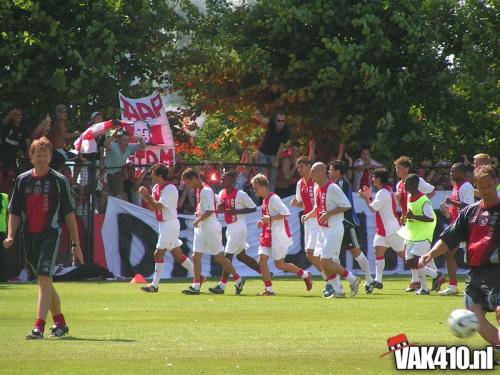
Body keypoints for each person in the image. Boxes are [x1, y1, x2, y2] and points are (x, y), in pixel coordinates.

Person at [3, 137, 84, 339]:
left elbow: (69, 214)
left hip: (51, 234)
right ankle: (60, 323)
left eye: (45, 154)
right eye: (37, 154)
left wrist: (75, 244)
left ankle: (38, 327)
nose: (41, 157)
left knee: (44, 278)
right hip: (28, 236)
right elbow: (14, 211)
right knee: (44, 281)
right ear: (30, 157)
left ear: (50, 157)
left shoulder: (59, 180)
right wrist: (11, 234)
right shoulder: (22, 180)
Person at [419, 165, 500, 347]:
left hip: (498, 273)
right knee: (474, 318)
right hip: (475, 275)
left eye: (490, 186)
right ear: (476, 187)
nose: (486, 191)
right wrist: (430, 253)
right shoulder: (470, 212)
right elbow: (449, 238)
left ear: (496, 183)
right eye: (482, 187)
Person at [181, 168, 244, 295]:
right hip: (203, 227)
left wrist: (198, 220)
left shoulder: (206, 190)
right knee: (196, 256)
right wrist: (199, 214)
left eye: (188, 182)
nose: (187, 186)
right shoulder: (201, 190)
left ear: (194, 179)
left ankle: (238, 279)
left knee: (219, 258)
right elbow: (215, 204)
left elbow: (210, 211)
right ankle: (196, 285)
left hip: (210, 226)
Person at [302, 163, 360, 298]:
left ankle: (352, 279)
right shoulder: (317, 189)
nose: (311, 175)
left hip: (334, 228)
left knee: (325, 261)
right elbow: (317, 208)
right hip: (323, 229)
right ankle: (338, 291)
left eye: (314, 171)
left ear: (322, 172)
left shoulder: (333, 188)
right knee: (322, 260)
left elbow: (346, 205)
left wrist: (329, 213)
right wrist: (308, 215)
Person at [251, 173, 312, 296]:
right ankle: (269, 290)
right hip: (267, 235)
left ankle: (305, 274)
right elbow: (269, 218)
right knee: (262, 261)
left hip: (277, 236)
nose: (255, 190)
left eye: (256, 187)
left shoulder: (274, 198)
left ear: (264, 187)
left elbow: (286, 213)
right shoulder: (265, 200)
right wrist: (262, 222)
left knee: (280, 265)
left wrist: (269, 219)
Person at [138, 164, 194, 293]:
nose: (151, 176)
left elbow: (159, 206)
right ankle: (199, 276)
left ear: (159, 176)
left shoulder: (170, 188)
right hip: (164, 224)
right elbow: (153, 208)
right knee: (178, 255)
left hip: (170, 223)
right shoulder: (157, 187)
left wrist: (146, 196)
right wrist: (146, 197)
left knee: (158, 253)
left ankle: (154, 285)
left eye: (153, 174)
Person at [208, 171, 260, 294]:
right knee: (242, 256)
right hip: (230, 227)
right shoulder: (221, 193)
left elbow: (253, 208)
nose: (221, 181)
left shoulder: (241, 194)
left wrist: (235, 211)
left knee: (227, 257)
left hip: (239, 227)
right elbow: (222, 208)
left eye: (223, 179)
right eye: (221, 179)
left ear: (231, 181)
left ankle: (222, 286)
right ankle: (265, 273)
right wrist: (221, 208)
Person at [329, 160, 374, 293]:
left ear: (338, 171)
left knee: (356, 252)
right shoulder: (335, 183)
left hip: (347, 223)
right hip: (337, 224)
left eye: (331, 169)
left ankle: (369, 279)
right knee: (333, 255)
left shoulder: (341, 182)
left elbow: (340, 203)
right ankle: (337, 286)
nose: (329, 172)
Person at [358, 168, 407, 290]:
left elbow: (373, 208)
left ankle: (433, 274)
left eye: (374, 177)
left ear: (379, 179)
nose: (372, 179)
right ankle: (378, 280)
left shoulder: (383, 192)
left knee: (406, 256)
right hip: (384, 229)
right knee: (378, 251)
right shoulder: (386, 190)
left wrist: (367, 197)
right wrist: (368, 197)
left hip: (391, 229)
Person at [394, 156, 437, 292]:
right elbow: (405, 205)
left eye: (399, 168)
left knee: (416, 255)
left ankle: (424, 279)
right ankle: (419, 281)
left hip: (420, 223)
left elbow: (432, 191)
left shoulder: (418, 181)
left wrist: (422, 201)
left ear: (407, 169)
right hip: (410, 222)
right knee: (411, 254)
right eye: (396, 168)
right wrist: (403, 213)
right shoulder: (399, 185)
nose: (397, 170)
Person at [399, 174, 443, 295]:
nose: (404, 185)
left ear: (414, 185)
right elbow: (411, 214)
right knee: (410, 262)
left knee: (417, 261)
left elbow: (430, 218)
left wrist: (414, 217)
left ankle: (424, 288)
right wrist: (405, 219)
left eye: (407, 183)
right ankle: (435, 275)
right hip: (412, 233)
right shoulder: (409, 197)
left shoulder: (423, 199)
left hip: (423, 234)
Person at [438, 162, 475, 296]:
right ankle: (453, 286)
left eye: (454, 171)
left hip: (465, 227)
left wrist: (452, 202)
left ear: (463, 173)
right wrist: (447, 211)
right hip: (456, 225)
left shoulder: (466, 186)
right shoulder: (456, 187)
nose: (451, 173)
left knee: (469, 258)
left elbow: (470, 207)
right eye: (451, 171)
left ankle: (470, 286)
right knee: (448, 254)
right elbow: (456, 210)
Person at [291, 157, 323, 280]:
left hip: (318, 219)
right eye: (298, 167)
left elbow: (321, 203)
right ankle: (333, 279)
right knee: (311, 254)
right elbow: (303, 204)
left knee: (313, 253)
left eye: (302, 166)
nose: (299, 169)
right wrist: (296, 204)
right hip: (308, 220)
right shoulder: (300, 183)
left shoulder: (317, 181)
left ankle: (331, 280)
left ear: (310, 166)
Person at [103, 130, 146, 200]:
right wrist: (113, 136)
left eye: (128, 140)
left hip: (118, 174)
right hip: (105, 173)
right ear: (119, 139)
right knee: (104, 195)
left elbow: (143, 146)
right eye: (124, 139)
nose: (126, 142)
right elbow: (105, 144)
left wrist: (140, 139)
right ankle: (101, 211)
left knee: (119, 195)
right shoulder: (113, 145)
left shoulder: (130, 147)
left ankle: (116, 210)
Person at [254, 110, 290, 192]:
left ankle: (270, 199)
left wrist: (277, 161)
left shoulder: (286, 132)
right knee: (260, 177)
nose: (281, 123)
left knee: (272, 179)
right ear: (275, 120)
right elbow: (262, 120)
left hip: (274, 155)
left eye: (283, 121)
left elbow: (281, 148)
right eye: (278, 121)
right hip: (263, 152)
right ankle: (257, 198)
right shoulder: (271, 123)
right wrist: (258, 115)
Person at [0, 107, 29, 193]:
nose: (19, 117)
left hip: (12, 161)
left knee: (9, 179)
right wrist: (10, 114)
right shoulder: (7, 126)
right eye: (16, 115)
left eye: (20, 115)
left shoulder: (23, 128)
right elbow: (3, 122)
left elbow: (27, 142)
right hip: (1, 159)